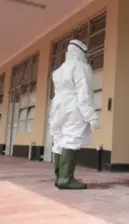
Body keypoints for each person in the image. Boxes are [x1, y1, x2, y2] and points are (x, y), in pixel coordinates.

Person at [50, 39, 98, 190]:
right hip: (73, 105)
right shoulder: (81, 67)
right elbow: (84, 94)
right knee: (71, 138)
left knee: (59, 139)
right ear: (81, 52)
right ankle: (66, 179)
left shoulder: (58, 71)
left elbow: (58, 93)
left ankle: (59, 177)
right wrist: (91, 115)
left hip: (58, 105)